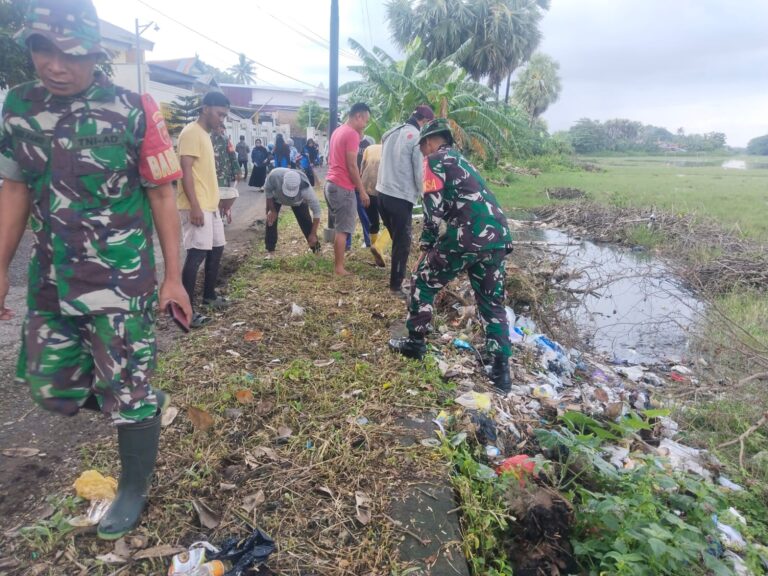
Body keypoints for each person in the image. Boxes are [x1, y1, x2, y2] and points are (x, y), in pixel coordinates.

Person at [0, 0, 191, 540]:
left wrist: (173, 276)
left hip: (119, 279)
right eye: (43, 49)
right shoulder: (18, 105)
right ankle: (139, 400)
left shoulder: (133, 109)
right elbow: (14, 188)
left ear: (95, 52)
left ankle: (133, 484)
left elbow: (161, 193)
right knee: (49, 387)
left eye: (70, 53)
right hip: (51, 277)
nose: (55, 65)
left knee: (128, 394)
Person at [389, 119, 513, 393]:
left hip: (468, 235)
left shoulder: (435, 160)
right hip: (498, 237)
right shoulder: (463, 162)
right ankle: (501, 372)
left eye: (422, 144)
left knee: (422, 280)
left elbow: (432, 210)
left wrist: (426, 246)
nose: (421, 150)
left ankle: (415, 343)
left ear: (432, 141)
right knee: (492, 303)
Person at [177, 91, 231, 327]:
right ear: (205, 108)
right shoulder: (190, 133)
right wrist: (195, 206)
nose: (222, 119)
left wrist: (216, 202)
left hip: (210, 205)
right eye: (220, 114)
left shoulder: (205, 135)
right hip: (196, 206)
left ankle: (209, 296)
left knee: (217, 248)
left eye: (225, 116)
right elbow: (185, 170)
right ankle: (186, 313)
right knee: (196, 254)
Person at [377, 105, 435, 296]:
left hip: (382, 194)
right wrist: (426, 194)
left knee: (398, 240)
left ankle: (399, 271)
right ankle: (395, 286)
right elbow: (420, 172)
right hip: (400, 197)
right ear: (424, 122)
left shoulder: (391, 131)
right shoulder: (417, 138)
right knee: (402, 242)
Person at [324, 103, 371, 276]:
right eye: (365, 120)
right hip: (342, 186)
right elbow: (352, 165)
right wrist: (362, 191)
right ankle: (339, 268)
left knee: (340, 227)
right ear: (358, 116)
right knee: (343, 229)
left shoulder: (338, 130)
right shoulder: (351, 134)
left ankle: (339, 264)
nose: (365, 124)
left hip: (331, 183)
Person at [264, 168, 321, 253]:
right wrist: (272, 210)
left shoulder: (306, 188)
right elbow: (268, 192)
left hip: (298, 202)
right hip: (276, 198)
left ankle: (316, 249)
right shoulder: (274, 176)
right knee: (271, 220)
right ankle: (270, 250)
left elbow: (317, 212)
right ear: (283, 182)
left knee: (306, 222)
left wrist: (313, 234)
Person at [211, 125, 240, 224]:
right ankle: (216, 217)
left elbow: (232, 155)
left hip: (223, 174)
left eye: (222, 128)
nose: (220, 129)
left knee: (223, 197)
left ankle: (222, 216)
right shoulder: (206, 138)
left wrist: (237, 170)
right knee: (213, 197)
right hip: (210, 174)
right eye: (218, 127)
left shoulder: (226, 140)